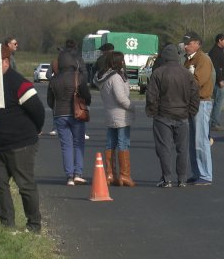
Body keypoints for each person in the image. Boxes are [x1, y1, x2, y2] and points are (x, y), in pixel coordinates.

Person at [0, 45, 45, 233]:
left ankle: (34, 226)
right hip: (1, 146)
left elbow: (38, 110)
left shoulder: (19, 83)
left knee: (25, 185)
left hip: (22, 143)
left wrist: (36, 130)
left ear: (5, 62)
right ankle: (7, 224)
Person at [146, 44, 200, 188]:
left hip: (163, 116)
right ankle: (182, 179)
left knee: (164, 148)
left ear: (164, 57)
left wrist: (153, 112)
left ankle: (167, 178)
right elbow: (195, 94)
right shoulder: (186, 73)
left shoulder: (158, 73)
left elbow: (151, 96)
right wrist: (191, 112)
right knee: (182, 149)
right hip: (182, 115)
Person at [47, 48, 92, 186]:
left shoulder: (54, 80)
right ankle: (78, 173)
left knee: (66, 146)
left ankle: (69, 177)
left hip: (60, 114)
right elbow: (86, 96)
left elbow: (50, 101)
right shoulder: (78, 77)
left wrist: (57, 107)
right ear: (73, 63)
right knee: (78, 143)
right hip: (76, 114)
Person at [94, 51, 137, 187]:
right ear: (118, 62)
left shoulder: (105, 76)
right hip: (121, 115)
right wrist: (131, 106)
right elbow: (120, 97)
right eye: (122, 60)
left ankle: (110, 174)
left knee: (110, 143)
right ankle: (124, 175)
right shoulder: (116, 77)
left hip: (110, 113)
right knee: (123, 143)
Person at [183, 31, 214, 186]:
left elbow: (197, 81)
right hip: (192, 103)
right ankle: (197, 173)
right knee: (193, 141)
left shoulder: (203, 59)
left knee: (201, 141)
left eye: (188, 43)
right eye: (185, 43)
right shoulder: (188, 60)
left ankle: (205, 174)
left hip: (201, 102)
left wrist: (181, 85)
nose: (185, 46)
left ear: (197, 43)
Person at [208, 34, 224, 131]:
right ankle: (214, 123)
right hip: (220, 82)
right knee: (218, 102)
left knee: (220, 103)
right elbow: (215, 67)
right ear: (219, 41)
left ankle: (215, 121)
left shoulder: (220, 51)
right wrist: (220, 80)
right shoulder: (215, 52)